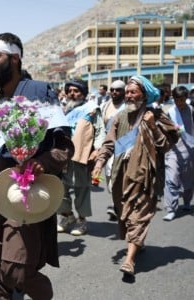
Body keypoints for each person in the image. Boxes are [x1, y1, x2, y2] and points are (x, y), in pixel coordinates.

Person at [0, 32, 74, 300]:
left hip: (22, 196)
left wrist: (42, 162)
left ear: (15, 59)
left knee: (14, 269)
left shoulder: (38, 94)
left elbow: (64, 147)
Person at [92, 75, 179, 276]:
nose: (129, 96)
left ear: (144, 94)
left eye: (133, 92)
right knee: (125, 213)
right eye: (127, 92)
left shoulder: (155, 115)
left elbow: (166, 145)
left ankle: (129, 260)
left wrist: (153, 126)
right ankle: (137, 242)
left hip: (145, 176)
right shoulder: (120, 117)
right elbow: (109, 143)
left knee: (138, 216)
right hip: (122, 174)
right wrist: (99, 163)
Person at [57, 79, 105, 236]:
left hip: (80, 155)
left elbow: (99, 130)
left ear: (83, 93)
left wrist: (97, 149)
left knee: (81, 189)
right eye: (69, 90)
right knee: (59, 189)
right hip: (62, 155)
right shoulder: (63, 109)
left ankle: (82, 222)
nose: (72, 93)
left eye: (76, 91)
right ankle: (67, 216)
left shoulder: (91, 109)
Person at [163, 85, 194, 221]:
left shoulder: (192, 110)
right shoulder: (170, 112)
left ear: (186, 98)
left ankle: (187, 202)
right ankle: (171, 208)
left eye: (181, 100)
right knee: (171, 178)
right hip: (173, 150)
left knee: (188, 179)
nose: (179, 103)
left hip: (189, 149)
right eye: (176, 100)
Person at [100, 80, 126, 221]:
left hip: (124, 147)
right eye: (112, 89)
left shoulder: (128, 107)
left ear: (123, 91)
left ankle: (117, 204)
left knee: (118, 175)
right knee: (109, 175)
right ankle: (117, 201)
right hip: (108, 146)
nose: (114, 92)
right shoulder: (104, 106)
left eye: (118, 90)